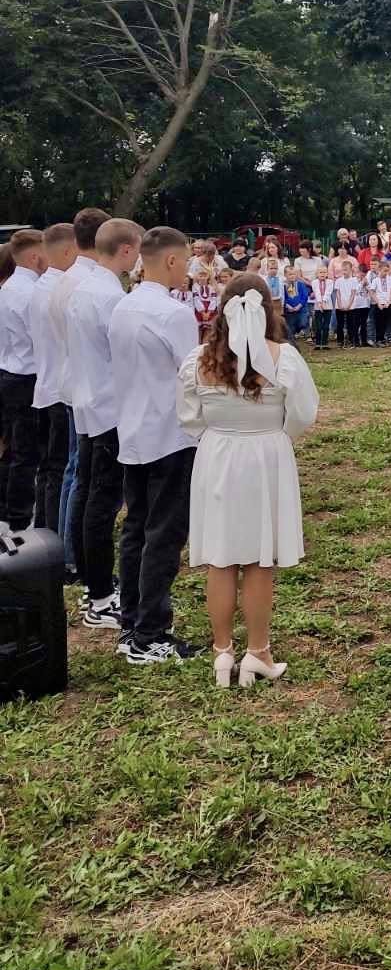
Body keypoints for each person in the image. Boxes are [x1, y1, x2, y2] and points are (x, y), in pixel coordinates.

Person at [179, 275, 319, 688]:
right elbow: (303, 412)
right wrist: (277, 435)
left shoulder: (199, 360)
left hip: (217, 455)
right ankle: (257, 651)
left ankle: (223, 651)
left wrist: (218, 434)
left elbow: (189, 417)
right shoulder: (283, 357)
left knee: (220, 558)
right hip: (265, 456)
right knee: (260, 559)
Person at [108, 227, 200, 665]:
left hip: (133, 430)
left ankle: (131, 622)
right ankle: (151, 632)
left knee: (137, 529)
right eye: (186, 261)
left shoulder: (123, 306)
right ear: (170, 261)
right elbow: (193, 374)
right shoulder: (173, 313)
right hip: (169, 434)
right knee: (164, 533)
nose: (189, 270)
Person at [68, 218, 144, 628]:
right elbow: (125, 357)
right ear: (127, 249)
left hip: (88, 400)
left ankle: (92, 581)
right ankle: (100, 597)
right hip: (109, 407)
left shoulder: (86, 288)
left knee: (90, 494)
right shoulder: (110, 296)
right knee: (103, 499)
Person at [46, 207, 110, 579]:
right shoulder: (86, 283)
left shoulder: (67, 280)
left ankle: (68, 550)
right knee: (80, 473)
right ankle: (72, 555)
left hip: (72, 379)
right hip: (86, 384)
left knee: (76, 470)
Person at [29, 223, 77, 531]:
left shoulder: (40, 286)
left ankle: (44, 528)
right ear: (69, 250)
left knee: (49, 467)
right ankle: (54, 535)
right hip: (59, 386)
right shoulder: (63, 288)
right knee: (59, 468)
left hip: (46, 382)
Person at [0, 229, 48, 528]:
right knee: (26, 452)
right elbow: (39, 339)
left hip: (9, 371)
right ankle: (18, 516)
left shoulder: (8, 288)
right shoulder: (30, 293)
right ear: (34, 256)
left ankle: (6, 508)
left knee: (13, 448)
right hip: (26, 375)